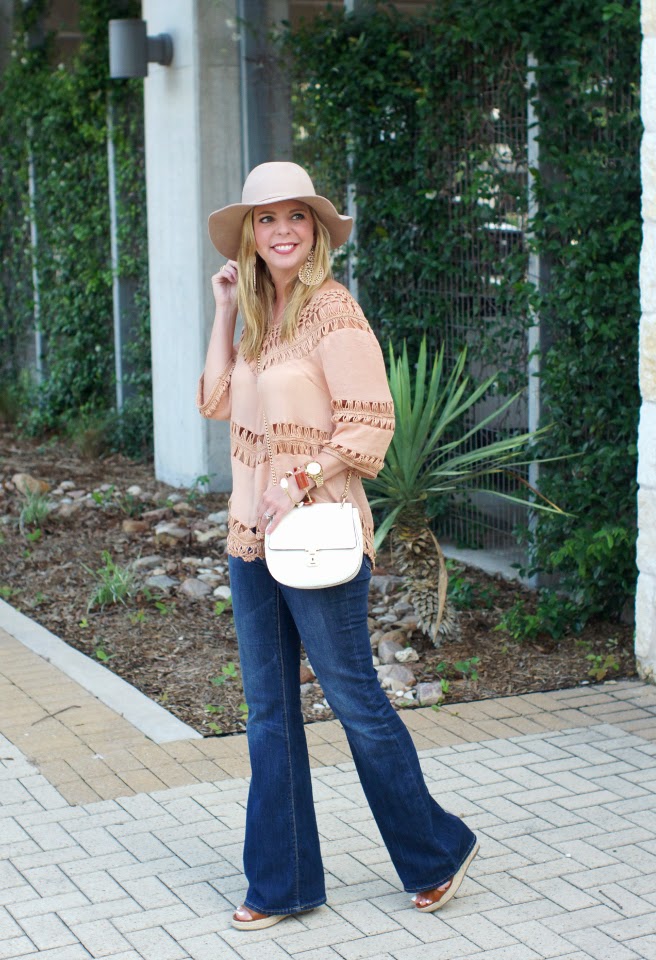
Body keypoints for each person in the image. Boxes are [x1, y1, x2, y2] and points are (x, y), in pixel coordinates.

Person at [197, 161, 478, 930]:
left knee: (353, 700)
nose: (282, 230)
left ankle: (436, 851)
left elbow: (371, 421)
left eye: (296, 216)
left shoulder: (333, 310)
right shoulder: (260, 318)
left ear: (315, 230)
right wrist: (224, 310)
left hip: (317, 534)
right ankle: (281, 883)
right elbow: (216, 399)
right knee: (269, 714)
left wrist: (300, 479)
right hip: (252, 540)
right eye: (266, 219)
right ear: (251, 236)